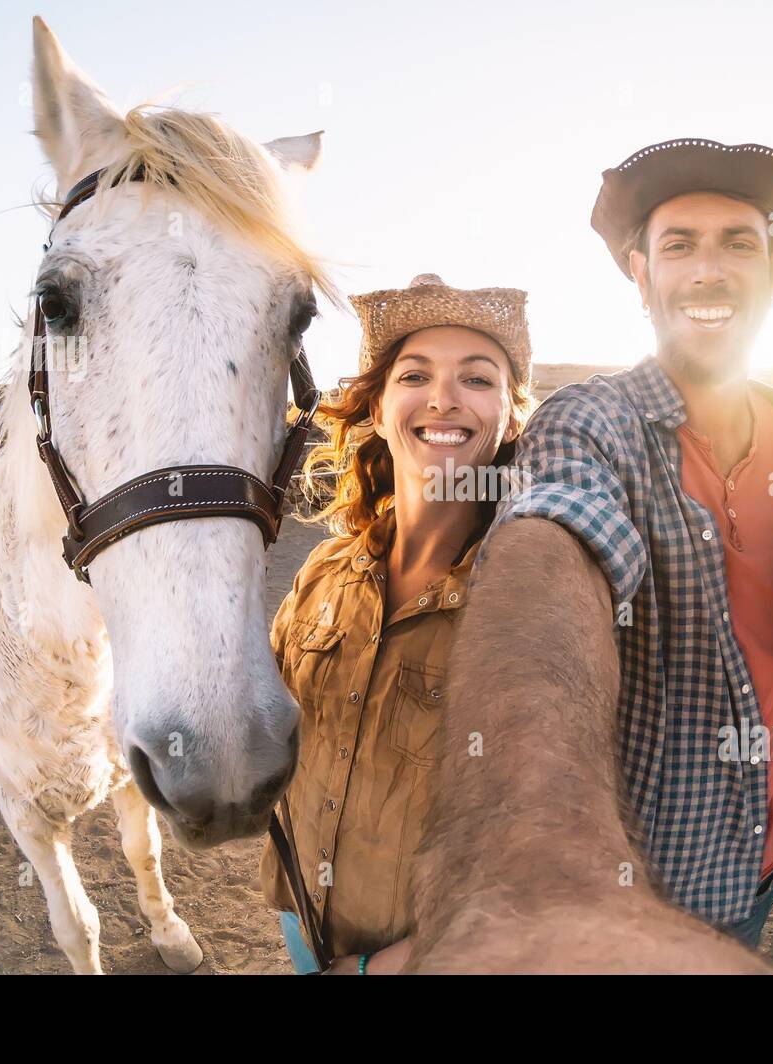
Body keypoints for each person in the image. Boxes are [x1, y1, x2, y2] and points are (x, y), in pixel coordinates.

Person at [445, 139, 773, 948]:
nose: (709, 270)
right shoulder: (589, 423)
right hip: (627, 889)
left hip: (758, 863)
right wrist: (544, 857)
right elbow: (551, 550)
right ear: (640, 276)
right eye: (678, 245)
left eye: (740, 243)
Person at [258, 273, 534, 973]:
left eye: (477, 379)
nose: (443, 397)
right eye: (416, 375)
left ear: (509, 417)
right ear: (378, 410)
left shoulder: (527, 606)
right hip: (303, 921)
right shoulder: (322, 573)